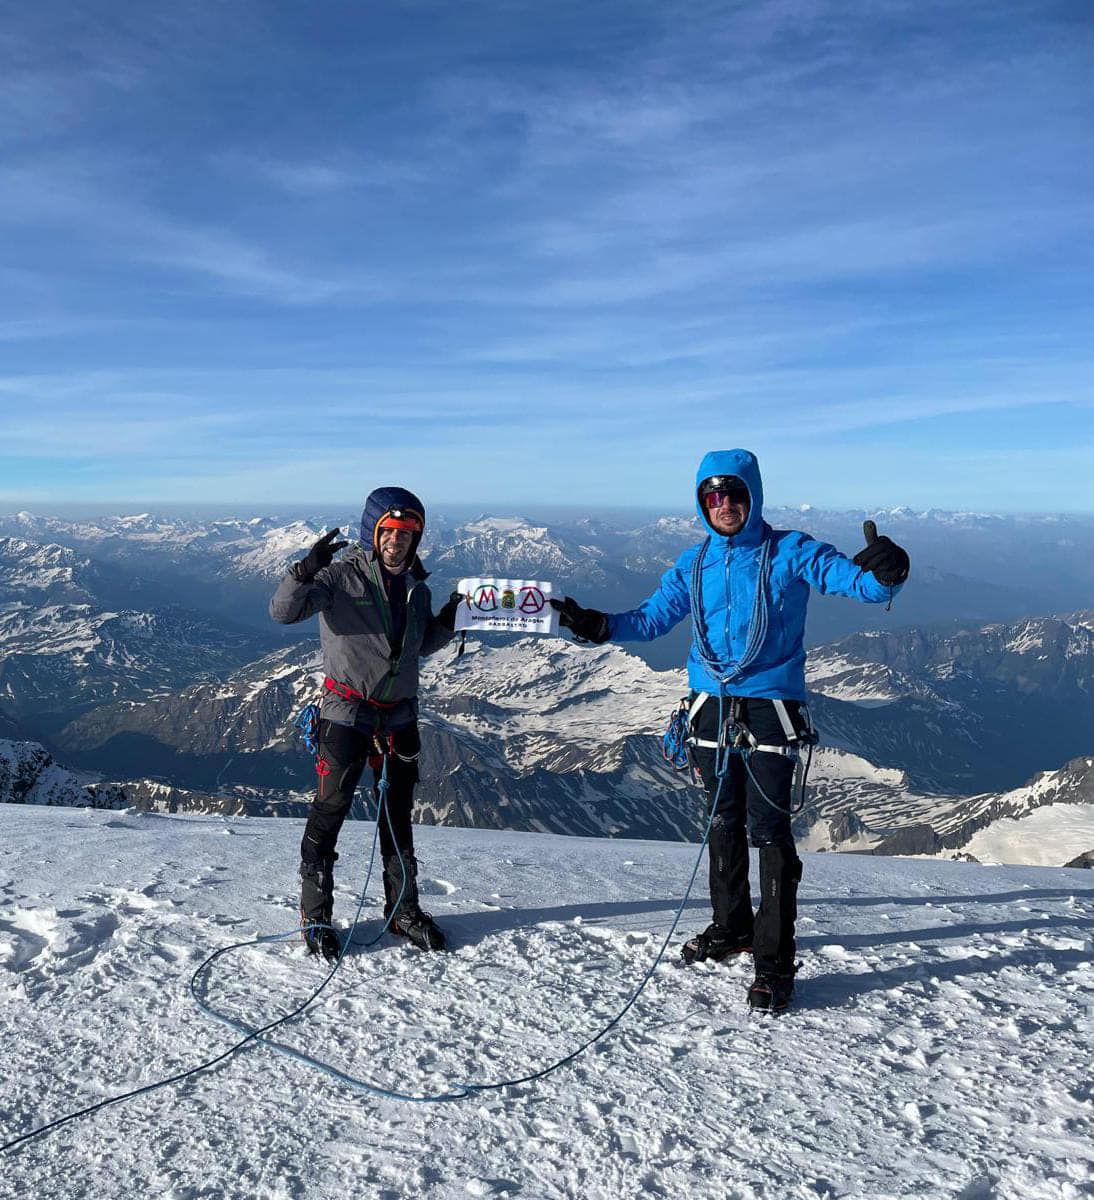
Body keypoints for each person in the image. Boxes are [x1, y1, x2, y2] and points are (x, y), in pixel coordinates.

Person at [551, 449, 909, 1013]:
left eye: (734, 494)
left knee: (769, 830)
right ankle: (732, 926)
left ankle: (774, 962)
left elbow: (856, 583)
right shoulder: (693, 565)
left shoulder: (791, 551)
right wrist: (597, 625)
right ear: (702, 503)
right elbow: (650, 619)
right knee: (722, 820)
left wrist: (887, 575)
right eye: (712, 496)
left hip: (770, 705)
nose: (724, 505)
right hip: (710, 707)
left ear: (753, 496)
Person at [270, 486, 461, 961]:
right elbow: (283, 612)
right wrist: (303, 570)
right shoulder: (339, 577)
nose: (398, 540)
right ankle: (316, 916)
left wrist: (449, 618)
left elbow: (419, 645)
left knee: (397, 816)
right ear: (372, 532)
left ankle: (403, 911)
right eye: (389, 531)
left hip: (399, 715)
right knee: (330, 811)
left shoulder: (416, 585)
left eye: (407, 533)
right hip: (346, 713)